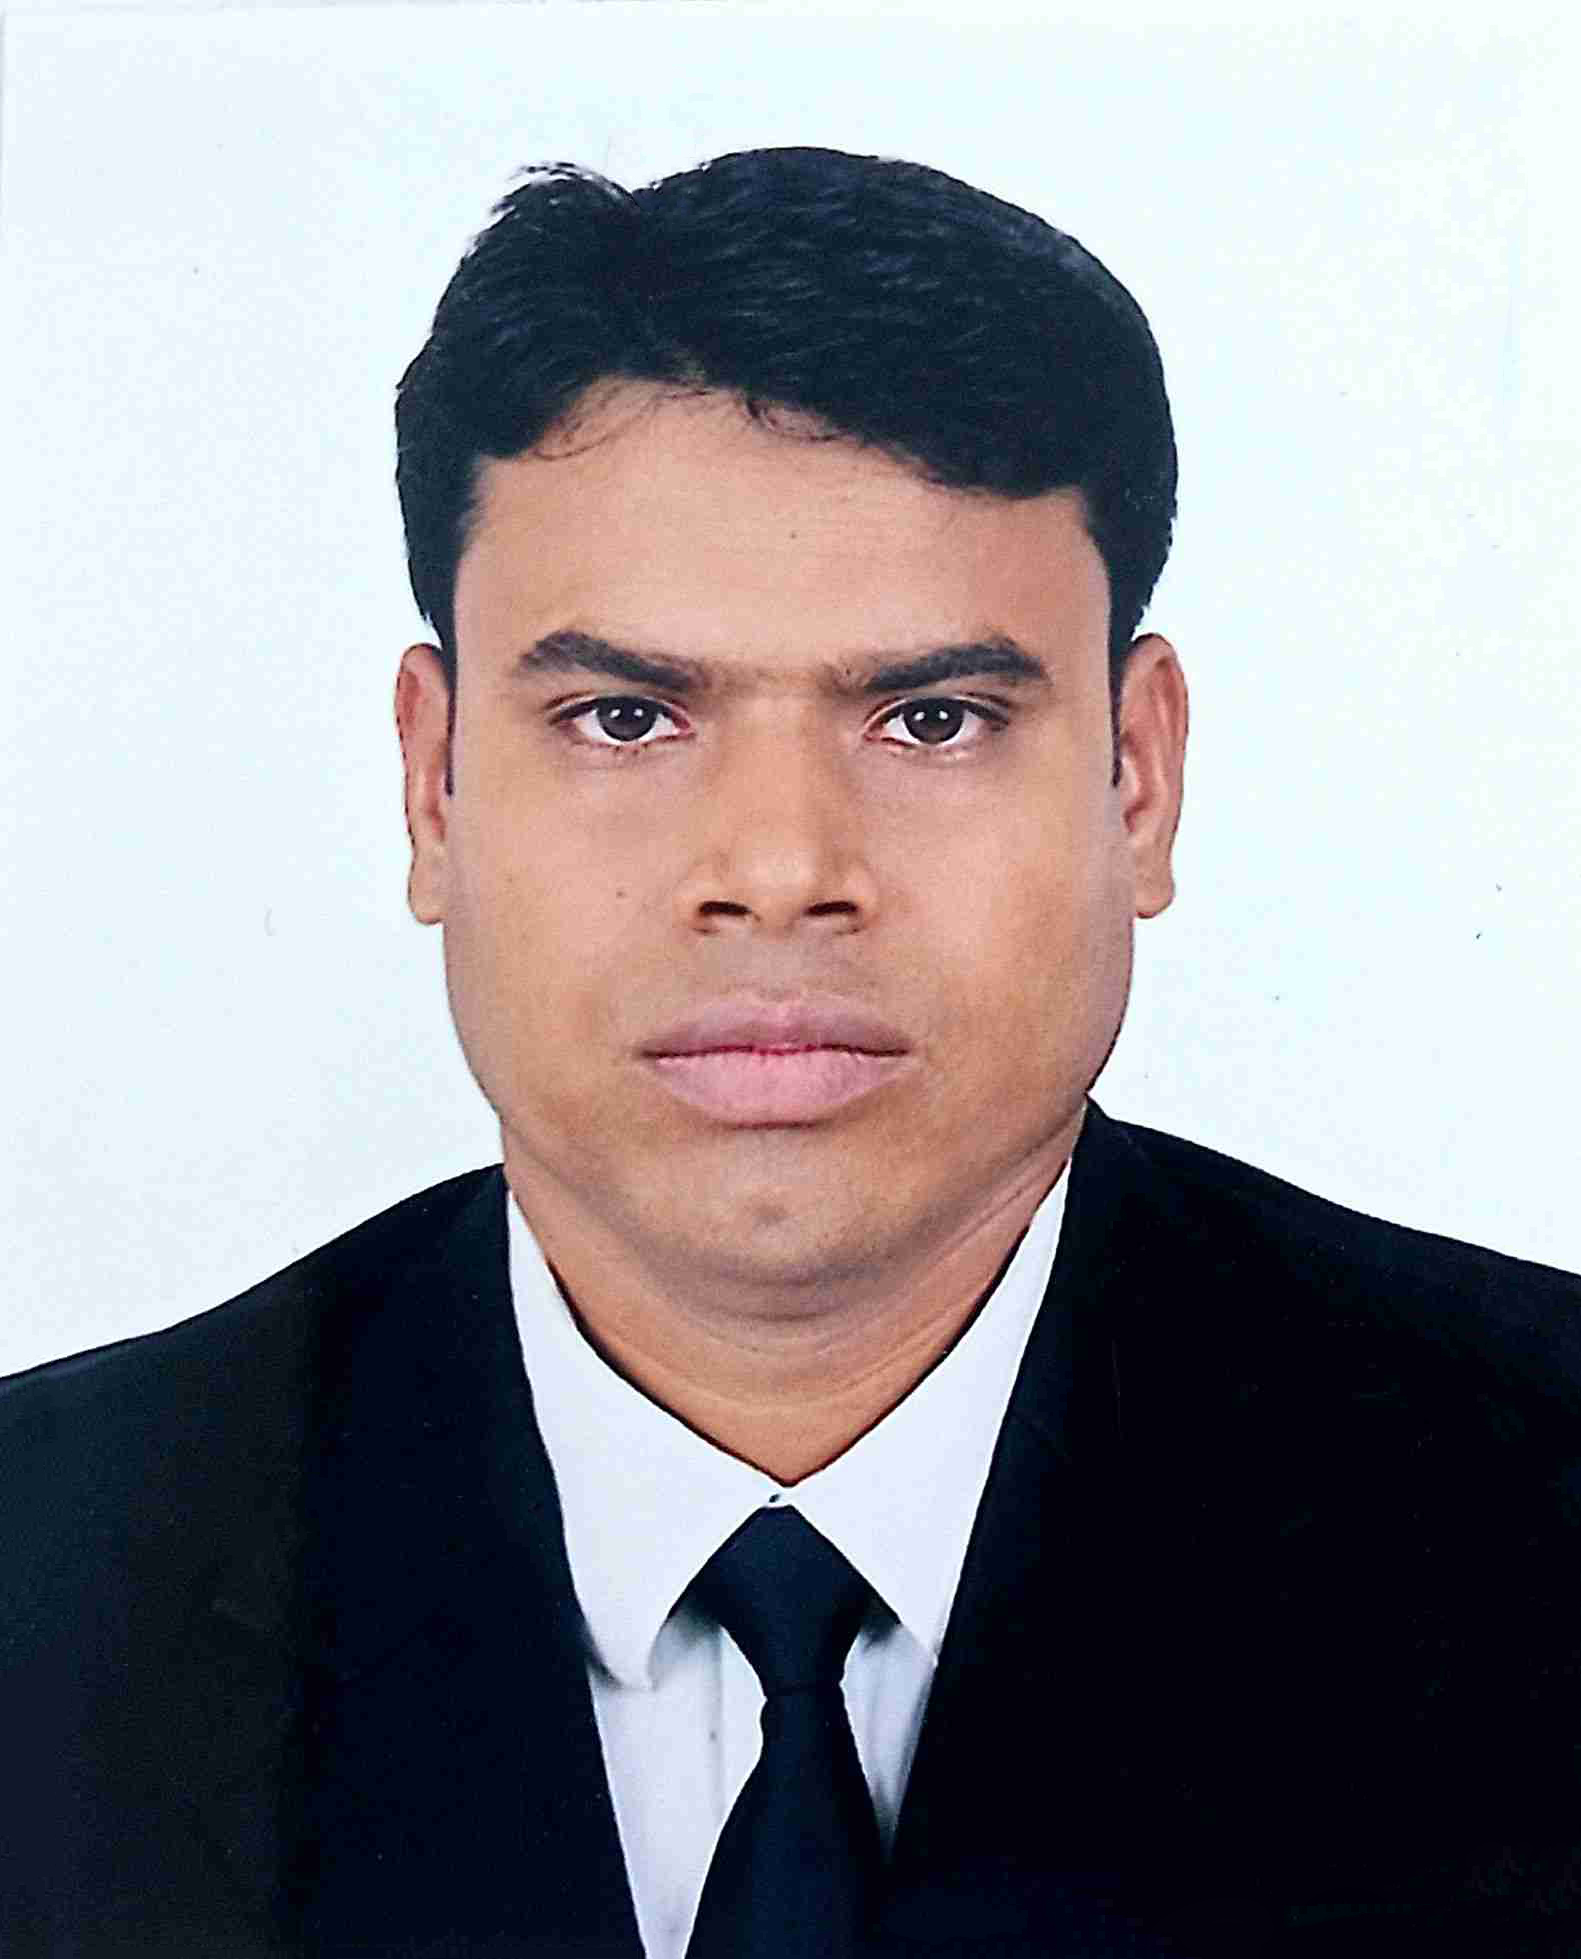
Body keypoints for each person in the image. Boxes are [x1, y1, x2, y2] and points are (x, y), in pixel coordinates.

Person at [2, 145, 1578, 1959]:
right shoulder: (48, 1566)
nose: (776, 871)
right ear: (432, 784)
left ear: (1136, 776)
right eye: (622, 716)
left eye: (932, 718)